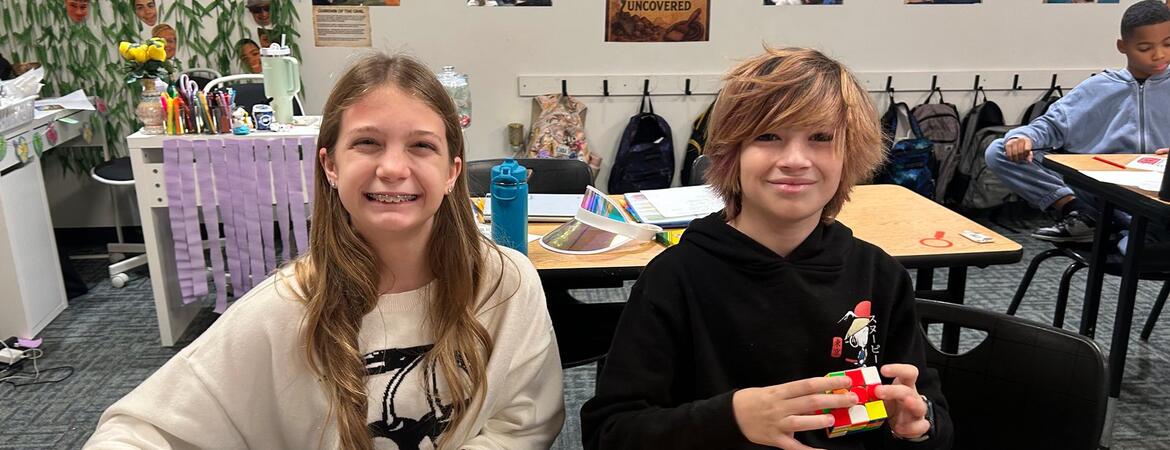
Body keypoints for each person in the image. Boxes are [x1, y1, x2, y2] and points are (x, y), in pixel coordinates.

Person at [84, 53, 565, 449]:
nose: (393, 167)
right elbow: (137, 431)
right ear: (330, 165)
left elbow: (524, 424)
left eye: (421, 145)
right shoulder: (285, 308)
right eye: (367, 144)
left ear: (453, 171)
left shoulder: (505, 283)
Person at [580, 47, 953, 449]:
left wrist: (918, 425)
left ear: (851, 154)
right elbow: (610, 433)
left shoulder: (879, 275)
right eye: (768, 136)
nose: (795, 160)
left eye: (821, 138)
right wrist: (732, 417)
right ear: (731, 153)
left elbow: (934, 422)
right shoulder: (675, 278)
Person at [985, 0, 1170, 243]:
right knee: (999, 150)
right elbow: (1050, 125)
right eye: (1145, 48)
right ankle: (1079, 214)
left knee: (1133, 249)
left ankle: (1120, 233)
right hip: (1101, 193)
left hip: (1157, 198)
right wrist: (1023, 138)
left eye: (1168, 44)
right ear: (1122, 46)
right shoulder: (1098, 88)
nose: (1159, 55)